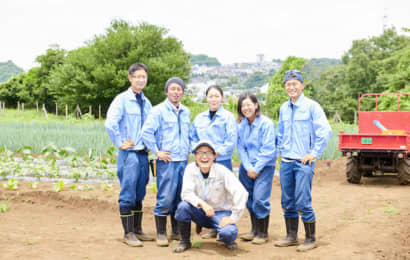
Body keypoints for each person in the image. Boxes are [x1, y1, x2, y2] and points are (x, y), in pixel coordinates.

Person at [274, 70, 332, 251]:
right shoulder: (284, 108)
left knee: (302, 201)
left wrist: (313, 153)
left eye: (295, 83)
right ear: (285, 87)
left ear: (302, 85)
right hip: (286, 161)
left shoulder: (312, 106)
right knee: (287, 201)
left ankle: (310, 238)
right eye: (288, 84)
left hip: (303, 163)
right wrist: (280, 151)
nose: (291, 87)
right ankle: (291, 236)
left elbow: (325, 131)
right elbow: (281, 132)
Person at [104, 62, 154, 247]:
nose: (141, 80)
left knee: (140, 192)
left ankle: (138, 230)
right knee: (128, 193)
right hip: (130, 155)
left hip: (143, 154)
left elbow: (150, 128)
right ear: (130, 78)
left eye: (144, 77)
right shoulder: (122, 99)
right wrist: (120, 142)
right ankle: (128, 233)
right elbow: (110, 124)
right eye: (137, 76)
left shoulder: (147, 102)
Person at [173, 140, 248, 253]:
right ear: (195, 155)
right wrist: (203, 204)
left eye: (208, 153)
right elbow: (186, 193)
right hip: (199, 211)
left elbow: (241, 192)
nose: (204, 156)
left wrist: (233, 217)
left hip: (220, 213)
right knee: (183, 207)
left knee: (228, 233)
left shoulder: (222, 171)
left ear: (214, 156)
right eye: (200, 153)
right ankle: (185, 242)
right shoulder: (190, 169)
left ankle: (226, 238)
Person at [141, 77, 191, 247]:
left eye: (179, 89)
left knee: (180, 197)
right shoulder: (158, 111)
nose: (176, 92)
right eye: (173, 89)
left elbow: (186, 135)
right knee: (165, 197)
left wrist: (188, 152)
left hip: (183, 161)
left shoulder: (186, 111)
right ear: (167, 91)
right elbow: (146, 133)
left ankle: (176, 231)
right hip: (167, 161)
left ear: (182, 92)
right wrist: (157, 151)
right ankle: (161, 233)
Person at [189, 85, 238, 239]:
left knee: (222, 195)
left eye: (217, 96)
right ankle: (208, 224)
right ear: (206, 98)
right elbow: (192, 138)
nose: (214, 99)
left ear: (222, 98)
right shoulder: (199, 118)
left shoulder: (228, 117)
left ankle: (220, 226)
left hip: (221, 161)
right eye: (211, 96)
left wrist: (215, 152)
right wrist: (198, 152)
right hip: (202, 163)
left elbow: (231, 141)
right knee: (203, 192)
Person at [236, 93, 277, 245]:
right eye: (243, 106)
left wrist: (257, 167)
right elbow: (241, 147)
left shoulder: (266, 124)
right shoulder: (242, 125)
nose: (246, 108)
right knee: (249, 198)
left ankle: (263, 232)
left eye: (249, 104)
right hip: (247, 168)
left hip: (264, 167)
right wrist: (248, 167)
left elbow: (269, 149)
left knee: (260, 199)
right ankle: (254, 230)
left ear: (256, 105)